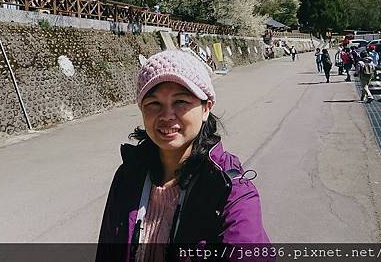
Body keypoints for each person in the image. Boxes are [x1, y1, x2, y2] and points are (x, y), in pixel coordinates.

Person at [96, 50, 269, 262]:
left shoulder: (230, 190)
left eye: (181, 101)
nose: (167, 115)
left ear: (206, 108)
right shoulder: (128, 175)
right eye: (154, 104)